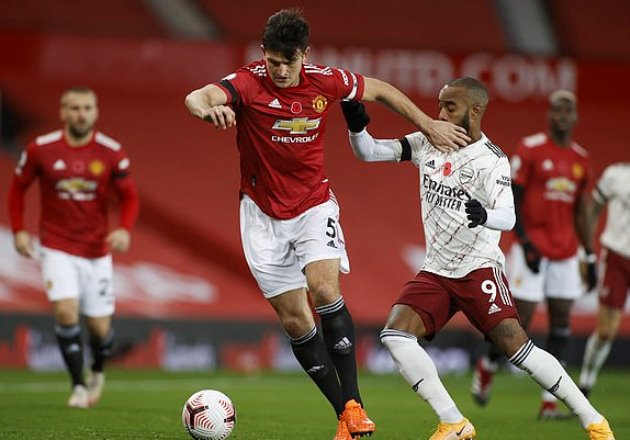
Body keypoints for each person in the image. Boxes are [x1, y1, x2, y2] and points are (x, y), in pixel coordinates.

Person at [184, 8, 469, 440]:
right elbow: (197, 96)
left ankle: (355, 403)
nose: (280, 71)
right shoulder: (247, 82)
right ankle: (344, 416)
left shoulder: (326, 80)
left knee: (323, 289)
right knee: (296, 321)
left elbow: (381, 89)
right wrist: (208, 111)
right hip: (261, 216)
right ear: (263, 53)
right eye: (273, 61)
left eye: (288, 62)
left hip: (314, 206)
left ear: (305, 54)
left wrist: (427, 125)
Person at [341, 77, 615, 440]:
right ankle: (453, 421)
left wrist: (484, 215)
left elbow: (508, 216)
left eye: (450, 107)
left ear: (474, 111)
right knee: (395, 335)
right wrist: (357, 127)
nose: (440, 114)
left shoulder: (492, 160)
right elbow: (368, 152)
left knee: (517, 348)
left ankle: (594, 421)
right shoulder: (427, 141)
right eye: (440, 105)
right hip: (437, 270)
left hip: (478, 267)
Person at [7, 86, 139, 408]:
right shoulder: (41, 149)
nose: (81, 114)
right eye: (75, 108)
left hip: (96, 250)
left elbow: (130, 197)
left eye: (87, 108)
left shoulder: (111, 152)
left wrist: (124, 229)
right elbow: (17, 188)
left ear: (96, 112)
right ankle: (78, 385)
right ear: (63, 112)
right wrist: (20, 231)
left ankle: (97, 370)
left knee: (99, 330)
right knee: (66, 312)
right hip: (56, 245)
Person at [471, 89, 597, 418]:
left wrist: (590, 255)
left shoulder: (581, 159)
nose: (563, 116)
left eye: (568, 110)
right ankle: (488, 365)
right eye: (558, 110)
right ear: (549, 115)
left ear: (575, 117)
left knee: (561, 322)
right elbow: (512, 198)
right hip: (532, 249)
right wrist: (526, 244)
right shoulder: (530, 149)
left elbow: (582, 211)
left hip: (565, 253)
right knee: (519, 321)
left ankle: (549, 402)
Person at [579, 162, 630, 396]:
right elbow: (593, 210)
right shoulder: (616, 174)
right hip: (617, 257)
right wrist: (585, 251)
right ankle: (586, 380)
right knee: (606, 332)